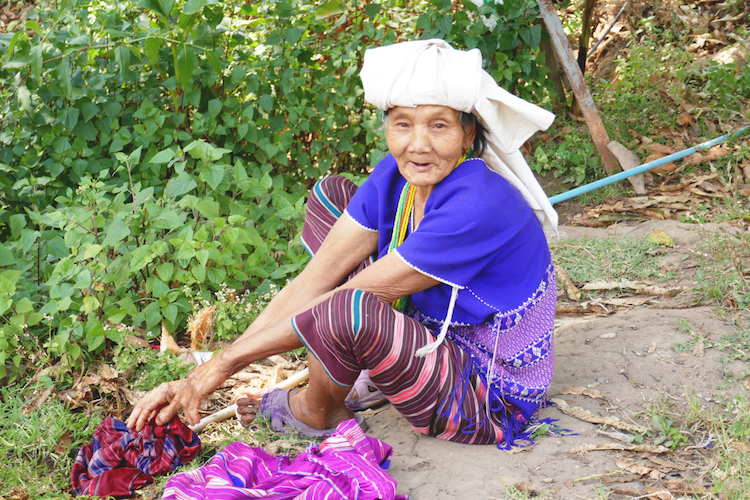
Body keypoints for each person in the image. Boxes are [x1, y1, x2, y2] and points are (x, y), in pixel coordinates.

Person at [127, 39, 558, 449]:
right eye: (403, 124)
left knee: (345, 308)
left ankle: (319, 411)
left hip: (483, 397)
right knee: (330, 200)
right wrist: (216, 363)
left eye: (439, 126)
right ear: (387, 125)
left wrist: (217, 369)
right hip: (431, 345)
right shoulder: (396, 177)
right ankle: (365, 372)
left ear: (468, 135)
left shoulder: (478, 203)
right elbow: (313, 281)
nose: (418, 144)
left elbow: (343, 301)